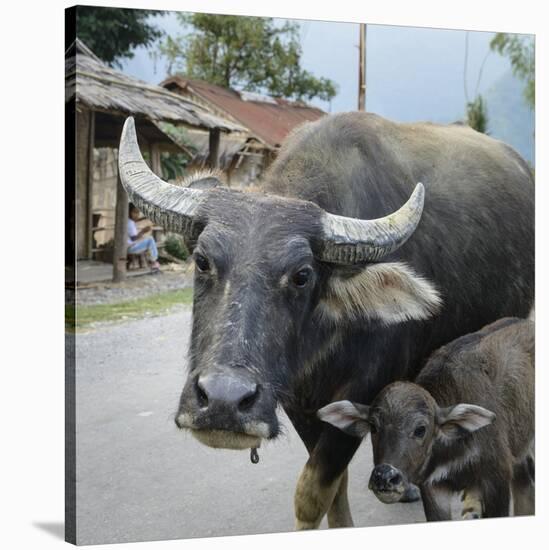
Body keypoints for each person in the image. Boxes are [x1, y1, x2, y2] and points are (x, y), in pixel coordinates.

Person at [127, 203, 160, 271]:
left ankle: (150, 261)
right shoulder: (130, 223)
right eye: (135, 212)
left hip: (127, 247)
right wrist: (143, 231)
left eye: (138, 213)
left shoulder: (128, 221)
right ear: (128, 212)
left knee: (146, 239)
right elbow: (134, 238)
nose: (137, 215)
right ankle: (154, 261)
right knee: (150, 239)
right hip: (130, 248)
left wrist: (142, 234)